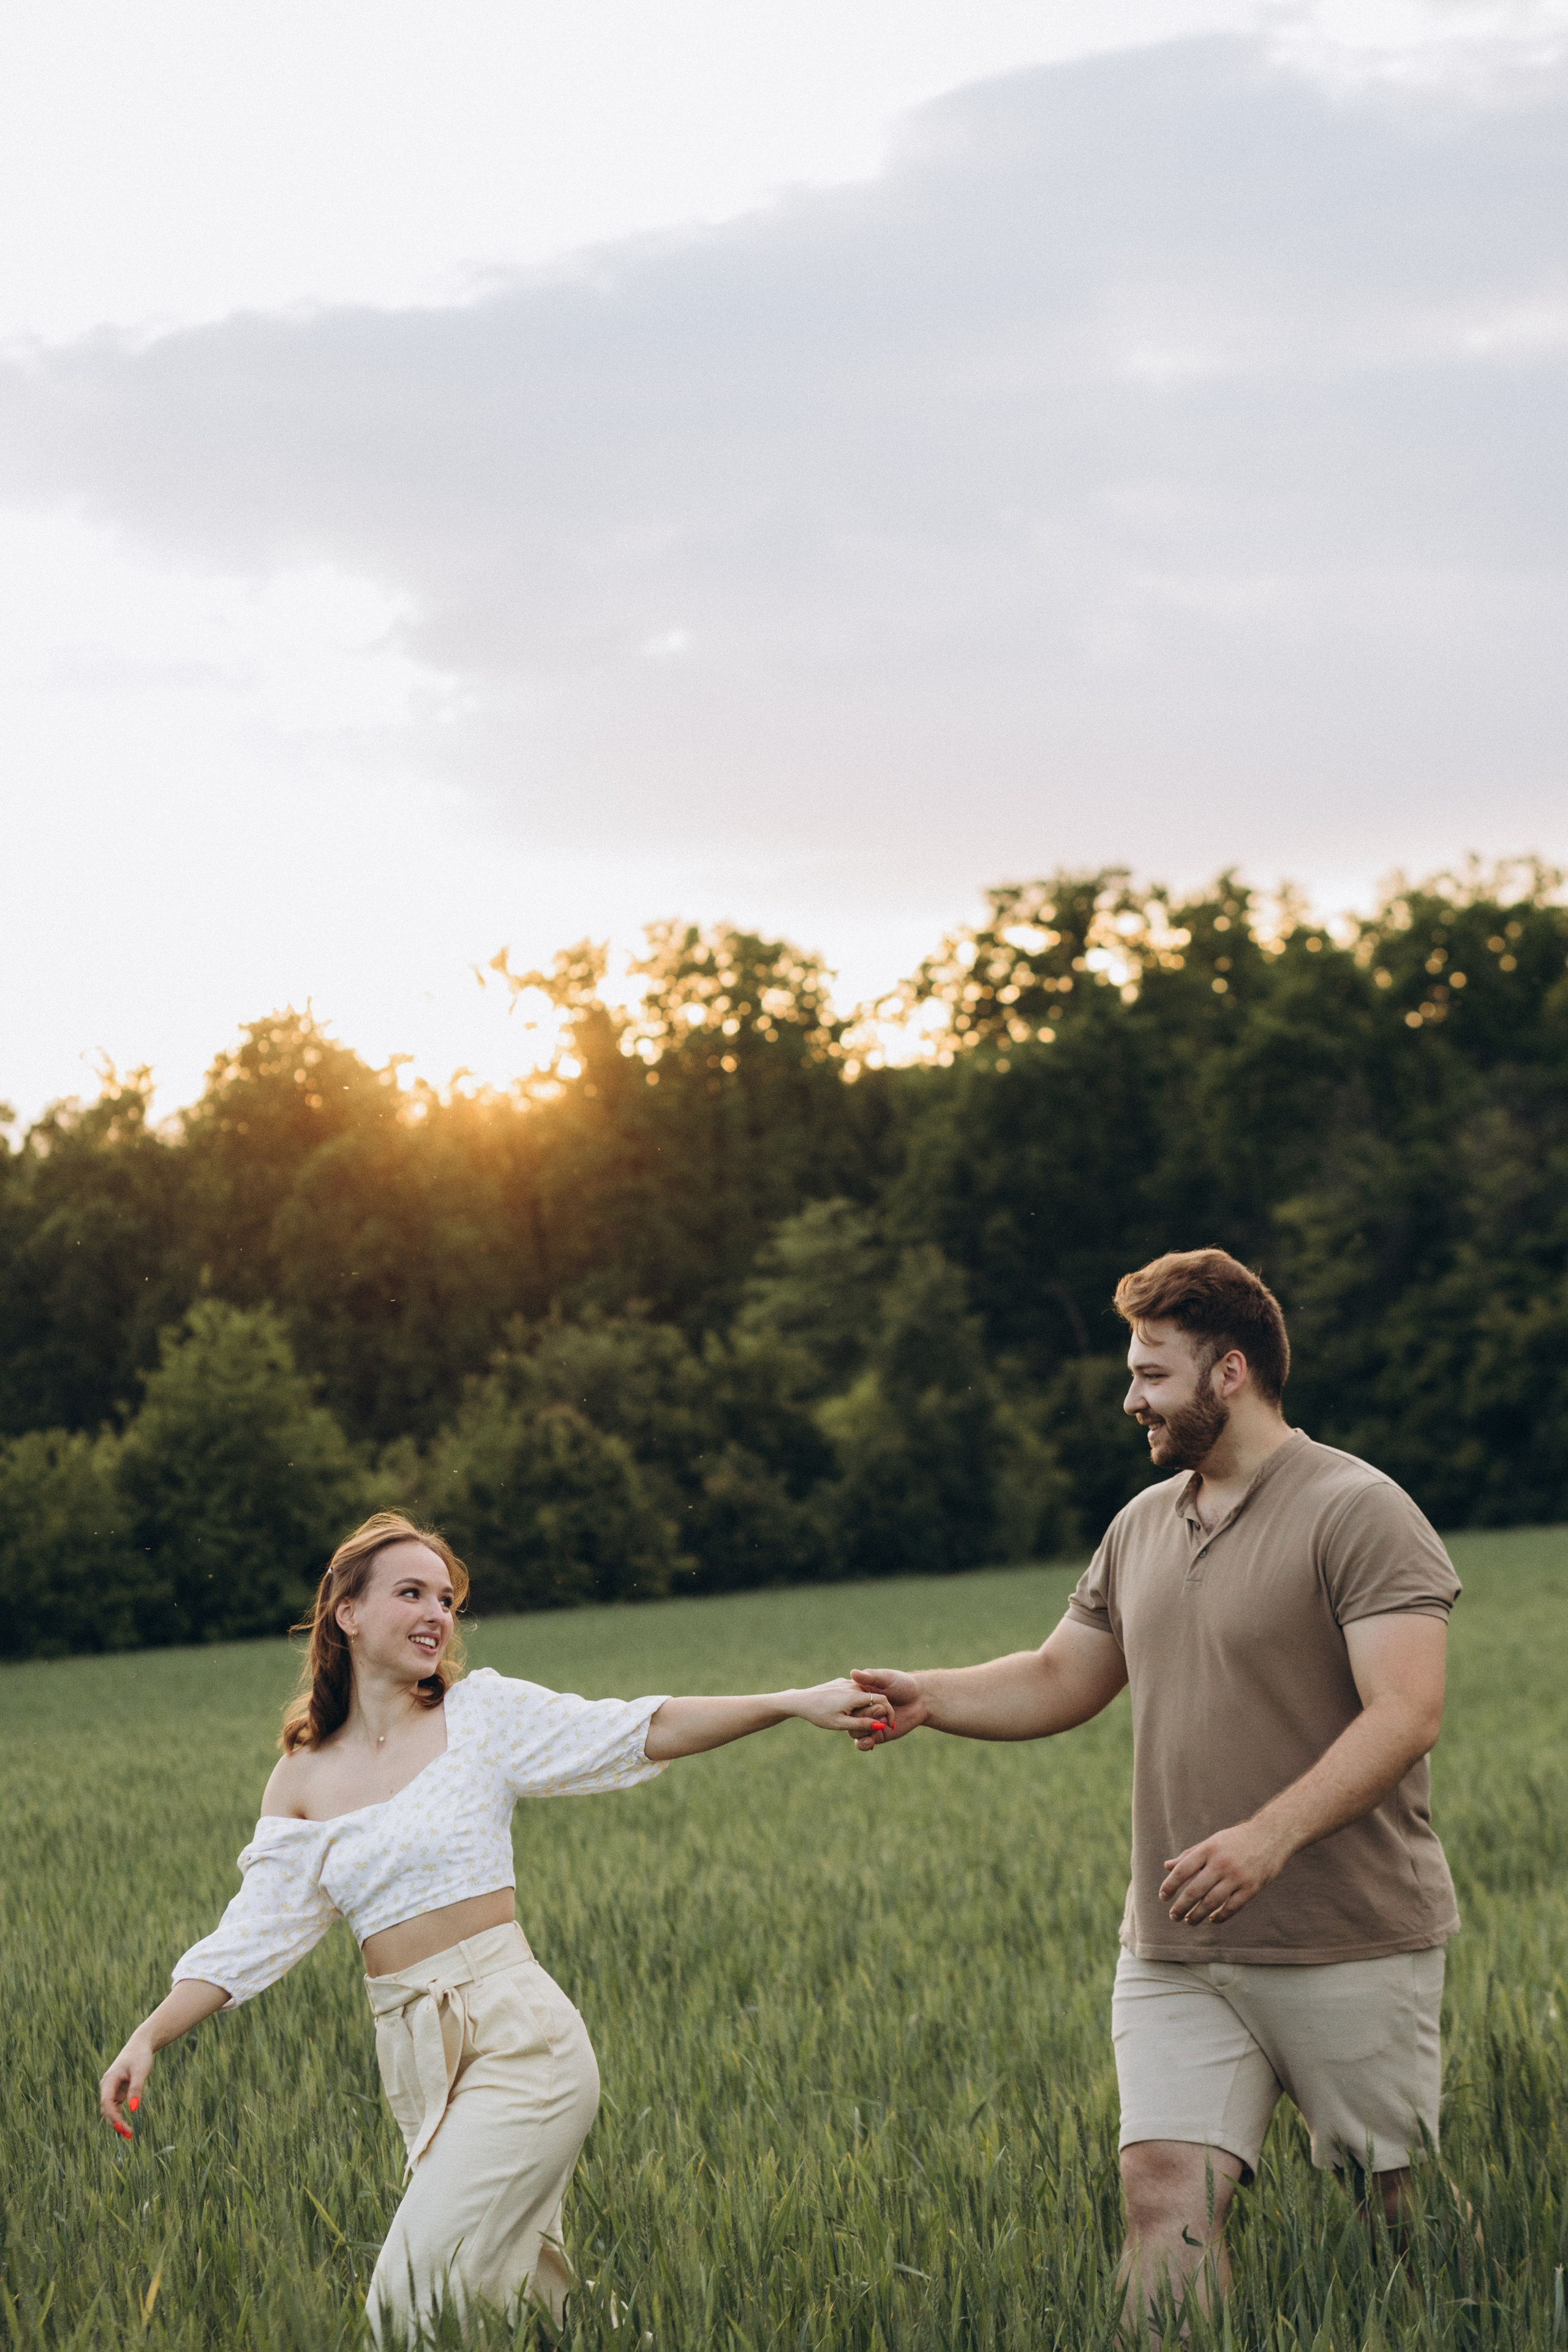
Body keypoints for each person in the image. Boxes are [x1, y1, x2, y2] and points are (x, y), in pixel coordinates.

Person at [849, 1248, 1460, 2338]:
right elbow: (1060, 1676)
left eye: (1152, 1374)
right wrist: (929, 1697)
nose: (1131, 1398)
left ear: (1229, 1372)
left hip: (1347, 1935)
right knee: (1164, 2198)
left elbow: (1406, 1711)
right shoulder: (1140, 1523)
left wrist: (1268, 1839)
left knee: (1392, 2209)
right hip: (1177, 1948)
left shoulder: (1360, 1510)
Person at [99, 1510, 890, 2343]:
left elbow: (640, 1726)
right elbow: (255, 1934)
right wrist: (151, 2034)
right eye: (412, 1593)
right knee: (530, 2310)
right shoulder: (301, 1775)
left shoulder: (481, 1717)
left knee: (407, 2309)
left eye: (447, 1598)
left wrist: (792, 1702)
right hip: (418, 2062)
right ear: (349, 1613)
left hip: (522, 2044)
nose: (438, 1614)